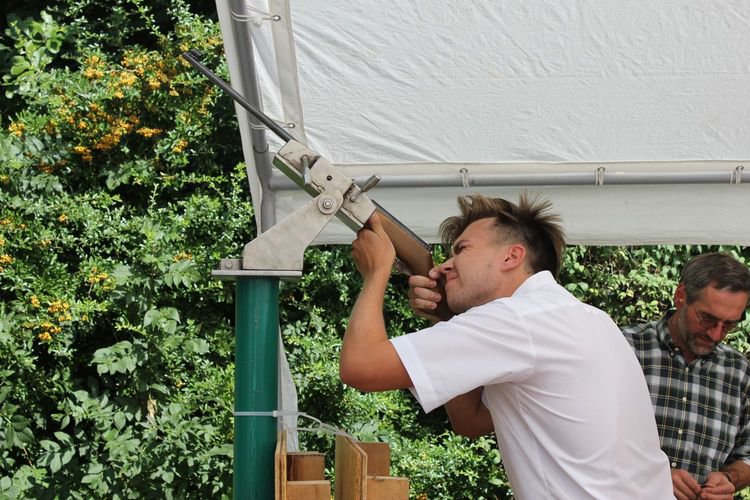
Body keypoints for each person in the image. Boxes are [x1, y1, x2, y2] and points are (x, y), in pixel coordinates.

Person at [340, 193, 674, 499]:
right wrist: (444, 317)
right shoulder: (588, 318)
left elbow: (361, 367)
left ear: (512, 256)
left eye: (462, 249)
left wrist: (377, 271)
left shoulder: (517, 318)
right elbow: (471, 421)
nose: (444, 266)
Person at [621, 252, 750, 500]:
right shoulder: (624, 348)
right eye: (707, 319)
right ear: (681, 296)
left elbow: (747, 455)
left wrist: (728, 479)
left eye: (729, 325)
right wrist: (653, 474)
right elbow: (585, 438)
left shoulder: (739, 371)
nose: (716, 334)